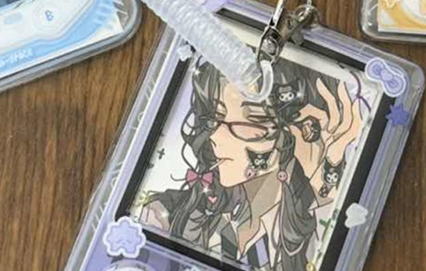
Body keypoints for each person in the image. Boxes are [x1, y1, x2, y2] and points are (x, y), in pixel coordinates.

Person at [136, 58, 365, 271]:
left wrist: (324, 183)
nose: (215, 136)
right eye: (215, 117)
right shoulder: (165, 213)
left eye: (252, 119)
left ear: (302, 128)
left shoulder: (315, 230)